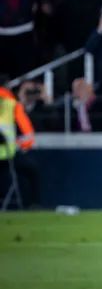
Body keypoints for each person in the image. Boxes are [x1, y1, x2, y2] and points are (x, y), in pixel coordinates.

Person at [0, 77, 37, 209]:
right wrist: (18, 144)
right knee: (31, 171)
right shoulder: (12, 104)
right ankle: (32, 205)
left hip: (7, 157)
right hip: (8, 157)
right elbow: (29, 136)